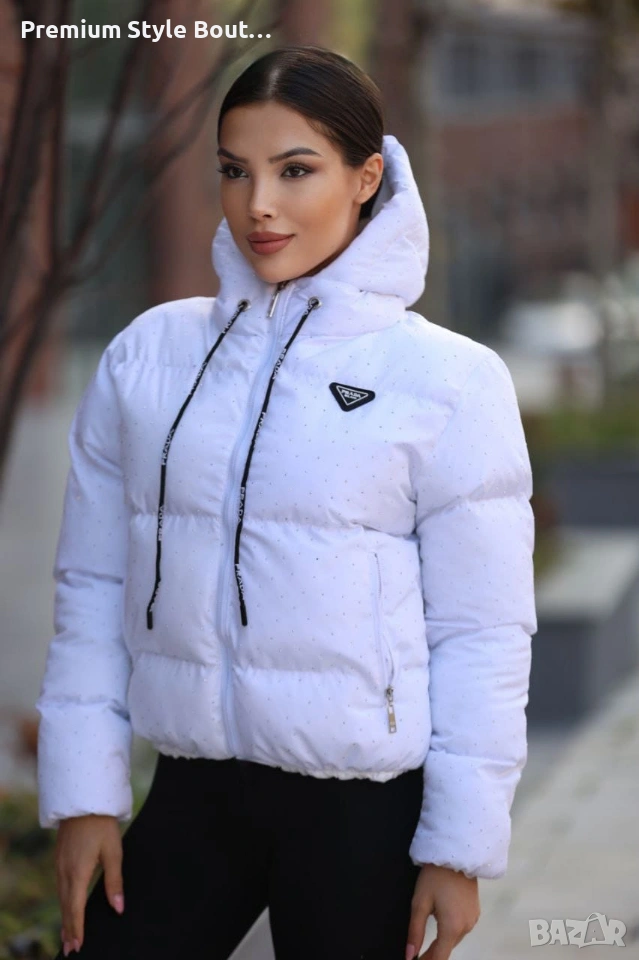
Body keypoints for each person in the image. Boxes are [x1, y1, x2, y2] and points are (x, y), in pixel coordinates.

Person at [35, 44, 537, 960]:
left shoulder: (447, 380)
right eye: (234, 171)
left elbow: (482, 631)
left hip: (363, 814)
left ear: (365, 178)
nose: (257, 204)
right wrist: (85, 798)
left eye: (295, 170)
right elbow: (93, 589)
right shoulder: (149, 356)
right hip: (192, 788)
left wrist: (458, 848)